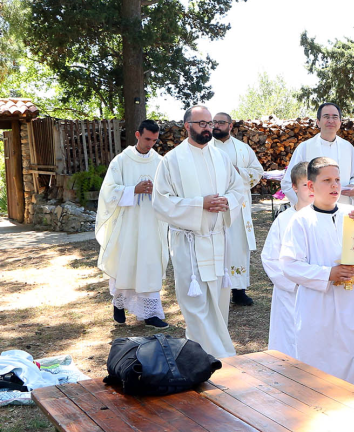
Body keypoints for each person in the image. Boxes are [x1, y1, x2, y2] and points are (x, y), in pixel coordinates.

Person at [280, 157, 354, 393]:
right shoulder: (301, 220)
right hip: (319, 307)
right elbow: (289, 265)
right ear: (310, 186)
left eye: (337, 180)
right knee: (322, 362)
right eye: (327, 180)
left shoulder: (353, 214)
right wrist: (328, 273)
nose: (334, 185)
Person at [153, 105, 247, 358]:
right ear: (187, 126)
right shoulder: (171, 160)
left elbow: (238, 190)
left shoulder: (221, 157)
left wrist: (226, 201)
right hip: (189, 242)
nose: (209, 128)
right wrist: (199, 204)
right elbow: (160, 202)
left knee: (218, 301)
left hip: (217, 240)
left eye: (211, 123)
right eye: (202, 124)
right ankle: (219, 357)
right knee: (195, 304)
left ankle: (203, 356)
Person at [95, 120, 170, 328]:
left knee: (149, 264)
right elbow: (108, 191)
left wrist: (157, 191)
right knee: (125, 261)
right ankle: (119, 305)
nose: (150, 144)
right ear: (137, 135)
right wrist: (133, 190)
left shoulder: (160, 162)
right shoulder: (121, 161)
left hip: (151, 223)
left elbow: (169, 191)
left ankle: (150, 314)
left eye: (154, 140)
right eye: (147, 139)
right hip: (127, 223)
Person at [211, 112, 264, 306]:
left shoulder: (243, 149)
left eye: (221, 122)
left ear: (230, 126)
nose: (216, 125)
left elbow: (258, 172)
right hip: (215, 206)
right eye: (214, 122)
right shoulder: (205, 148)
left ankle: (239, 291)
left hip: (238, 208)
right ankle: (216, 291)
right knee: (217, 247)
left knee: (237, 247)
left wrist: (237, 171)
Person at [261, 164, 313, 359]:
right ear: (294, 187)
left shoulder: (322, 218)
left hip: (318, 291)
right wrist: (295, 283)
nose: (311, 190)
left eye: (314, 184)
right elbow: (269, 258)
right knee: (289, 342)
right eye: (305, 185)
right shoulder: (284, 220)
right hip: (290, 294)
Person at [280, 102, 354, 206]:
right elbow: (288, 183)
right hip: (313, 212)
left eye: (335, 117)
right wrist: (303, 206)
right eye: (326, 116)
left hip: (342, 210)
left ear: (340, 122)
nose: (331, 121)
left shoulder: (348, 147)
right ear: (318, 122)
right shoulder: (305, 148)